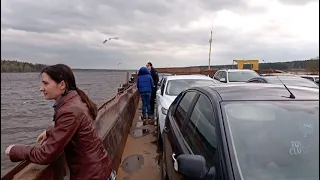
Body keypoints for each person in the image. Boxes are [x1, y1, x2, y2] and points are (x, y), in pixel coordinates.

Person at [4, 64, 115, 180]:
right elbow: (71, 127)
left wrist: (15, 150)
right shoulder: (76, 100)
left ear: (62, 85)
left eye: (45, 83)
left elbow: (46, 155)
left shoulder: (69, 110)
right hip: (102, 171)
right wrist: (49, 131)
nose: (41, 88)